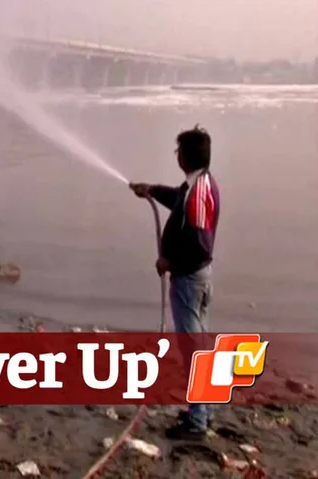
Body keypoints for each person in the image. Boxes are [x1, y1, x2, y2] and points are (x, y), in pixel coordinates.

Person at [129, 126, 220, 440]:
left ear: (184, 156)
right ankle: (202, 410)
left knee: (193, 348)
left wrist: (170, 263)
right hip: (197, 279)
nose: (176, 155)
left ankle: (197, 421)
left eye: (177, 151)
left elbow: (199, 245)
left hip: (189, 281)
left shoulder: (197, 194)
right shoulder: (198, 185)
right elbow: (178, 200)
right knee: (199, 344)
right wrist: (151, 190)